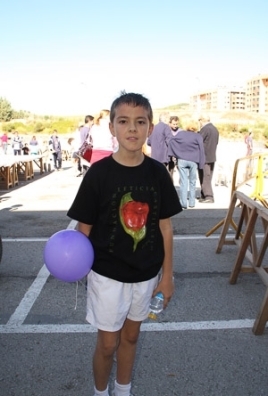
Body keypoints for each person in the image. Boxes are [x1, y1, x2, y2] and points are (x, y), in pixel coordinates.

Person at [67, 91, 182, 396]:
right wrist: (74, 262)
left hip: (146, 275)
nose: (132, 128)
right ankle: (101, 391)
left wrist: (166, 277)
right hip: (106, 275)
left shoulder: (158, 173)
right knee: (107, 344)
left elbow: (165, 227)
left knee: (131, 337)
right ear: (112, 128)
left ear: (150, 128)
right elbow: (84, 227)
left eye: (140, 122)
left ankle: (123, 389)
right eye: (124, 121)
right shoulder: (98, 174)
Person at [168, 123, 205, 209]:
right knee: (192, 182)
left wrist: (175, 153)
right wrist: (201, 163)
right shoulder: (198, 136)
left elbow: (171, 141)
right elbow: (201, 150)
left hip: (182, 160)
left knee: (183, 182)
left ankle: (183, 203)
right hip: (193, 161)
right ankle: (192, 203)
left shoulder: (181, 134)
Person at [198, 114, 219, 203]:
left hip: (204, 157)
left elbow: (198, 140)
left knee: (204, 176)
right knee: (208, 176)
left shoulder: (205, 129)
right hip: (212, 156)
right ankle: (204, 194)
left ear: (202, 120)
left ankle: (208, 196)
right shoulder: (215, 129)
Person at [167, 116, 183, 181]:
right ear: (170, 123)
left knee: (181, 171)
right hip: (170, 154)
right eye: (174, 124)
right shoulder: (167, 131)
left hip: (179, 155)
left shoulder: (181, 131)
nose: (175, 126)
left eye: (176, 124)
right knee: (170, 171)